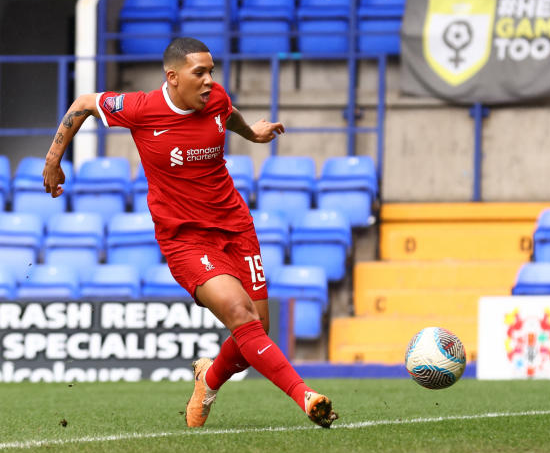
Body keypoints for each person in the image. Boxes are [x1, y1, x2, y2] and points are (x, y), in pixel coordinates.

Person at [41, 37, 338, 429]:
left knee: (256, 333)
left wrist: (252, 133)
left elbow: (226, 114)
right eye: (199, 72)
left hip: (235, 226)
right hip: (185, 238)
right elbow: (82, 104)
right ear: (173, 77)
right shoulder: (142, 108)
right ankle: (306, 396)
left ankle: (208, 379)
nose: (209, 80)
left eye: (211, 71)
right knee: (239, 314)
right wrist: (53, 159)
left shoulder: (215, 98)